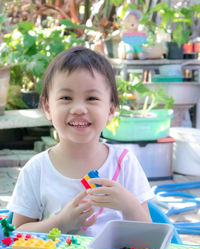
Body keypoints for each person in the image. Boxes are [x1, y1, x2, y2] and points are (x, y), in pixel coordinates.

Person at [8, 46, 154, 236]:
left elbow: (150, 234)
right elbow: (17, 232)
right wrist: (60, 223)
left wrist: (127, 204)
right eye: (66, 98)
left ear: (110, 110)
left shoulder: (124, 163)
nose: (78, 109)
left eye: (92, 98)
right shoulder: (37, 170)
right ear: (47, 107)